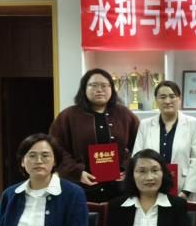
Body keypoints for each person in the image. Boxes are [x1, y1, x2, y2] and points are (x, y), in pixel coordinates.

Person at [0, 133, 88, 226]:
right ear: (22, 161)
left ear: (55, 161)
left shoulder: (73, 193)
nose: (39, 161)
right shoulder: (9, 195)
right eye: (32, 156)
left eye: (45, 155)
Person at [50, 68, 140, 202]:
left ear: (112, 88)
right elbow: (56, 148)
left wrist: (129, 168)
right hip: (80, 186)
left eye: (104, 85)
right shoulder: (68, 116)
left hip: (119, 187)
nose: (99, 90)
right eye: (93, 85)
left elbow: (140, 144)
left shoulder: (125, 115)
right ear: (84, 88)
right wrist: (76, 172)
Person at [102, 149, 191, 226]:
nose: (149, 177)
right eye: (142, 171)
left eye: (155, 170)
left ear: (163, 173)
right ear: (131, 175)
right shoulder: (117, 206)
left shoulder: (177, 206)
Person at [132, 80, 196, 200]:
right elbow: (137, 157)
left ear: (179, 99)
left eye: (172, 96)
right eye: (162, 97)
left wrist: (186, 191)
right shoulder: (145, 125)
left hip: (184, 189)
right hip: (151, 188)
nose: (167, 101)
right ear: (156, 100)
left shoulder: (193, 123)